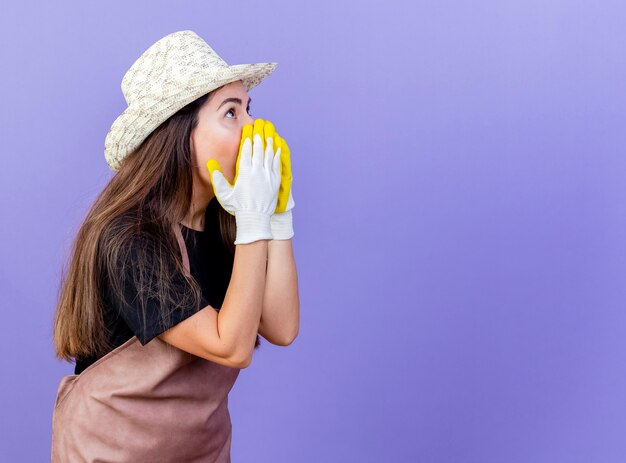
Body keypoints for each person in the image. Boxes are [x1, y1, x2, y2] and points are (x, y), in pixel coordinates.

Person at [50, 30, 299, 462]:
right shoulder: (129, 239)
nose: (253, 129)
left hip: (198, 450)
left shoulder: (229, 224)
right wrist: (256, 220)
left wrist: (276, 218)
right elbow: (231, 347)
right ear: (181, 133)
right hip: (110, 450)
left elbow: (282, 327)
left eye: (248, 110)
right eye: (230, 113)